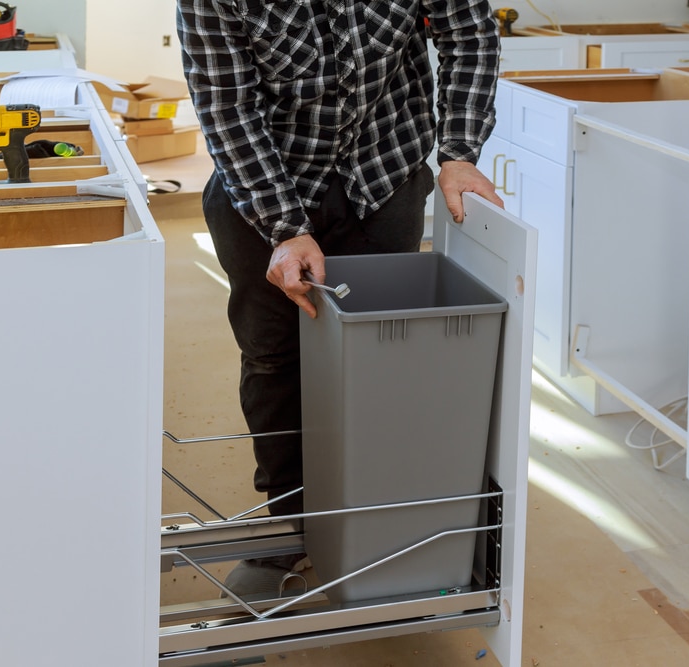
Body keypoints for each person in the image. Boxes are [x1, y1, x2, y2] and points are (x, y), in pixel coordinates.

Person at [176, 0, 504, 596]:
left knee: (380, 357)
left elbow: (468, 32)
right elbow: (227, 107)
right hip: (264, 182)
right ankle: (289, 526)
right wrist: (283, 224)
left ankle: (377, 517)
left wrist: (459, 150)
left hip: (383, 172)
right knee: (274, 356)